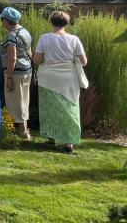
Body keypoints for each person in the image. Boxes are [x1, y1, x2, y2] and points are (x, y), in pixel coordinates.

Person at [33, 11, 87, 154]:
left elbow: (37, 60)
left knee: (49, 107)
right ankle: (69, 141)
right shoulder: (74, 39)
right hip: (68, 78)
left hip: (48, 77)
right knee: (70, 107)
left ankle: (51, 137)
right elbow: (83, 61)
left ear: (51, 22)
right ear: (67, 23)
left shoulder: (44, 38)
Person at [0, 7, 33, 140]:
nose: (2, 22)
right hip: (26, 70)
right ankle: (24, 129)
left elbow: (12, 57)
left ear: (7, 21)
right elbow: (29, 51)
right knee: (24, 99)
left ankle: (22, 131)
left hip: (15, 72)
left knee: (14, 100)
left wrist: (9, 77)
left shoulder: (11, 36)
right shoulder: (25, 32)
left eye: (2, 19)